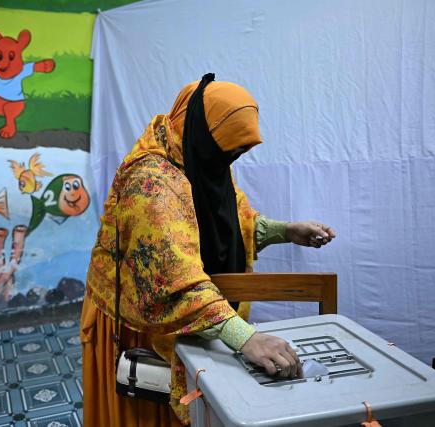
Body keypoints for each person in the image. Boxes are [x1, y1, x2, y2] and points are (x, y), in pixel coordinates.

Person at [80, 74, 336, 426]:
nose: (231, 159)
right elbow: (171, 280)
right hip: (143, 323)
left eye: (239, 152)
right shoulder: (150, 183)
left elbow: (225, 225)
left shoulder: (200, 160)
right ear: (203, 132)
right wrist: (246, 339)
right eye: (228, 150)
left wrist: (285, 231)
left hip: (192, 313)